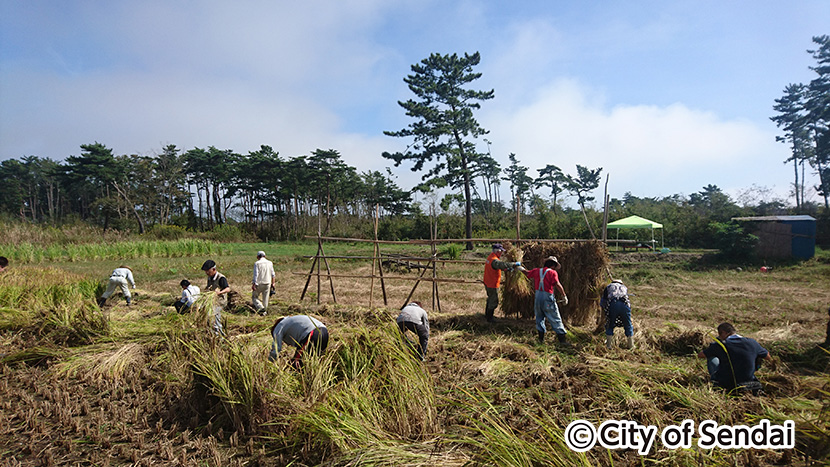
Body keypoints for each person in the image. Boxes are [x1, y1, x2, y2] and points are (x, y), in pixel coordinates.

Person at [698, 322, 770, 392]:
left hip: (727, 382)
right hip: (748, 380)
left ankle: (715, 381)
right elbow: (768, 357)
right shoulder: (752, 342)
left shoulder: (720, 345)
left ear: (723, 333)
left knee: (712, 358)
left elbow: (701, 355)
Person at [517, 256, 569, 345]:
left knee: (539, 317)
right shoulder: (553, 273)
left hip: (538, 297)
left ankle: (540, 340)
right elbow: (557, 284)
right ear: (553, 265)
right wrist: (564, 296)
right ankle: (562, 341)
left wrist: (520, 268)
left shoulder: (537, 271)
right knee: (555, 317)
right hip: (547, 298)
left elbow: (527, 273)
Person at [483, 243, 520, 322]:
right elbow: (501, 265)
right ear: (498, 251)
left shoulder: (490, 257)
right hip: (492, 283)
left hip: (488, 282)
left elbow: (496, 268)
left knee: (490, 299)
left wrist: (506, 269)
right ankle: (489, 318)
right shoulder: (494, 260)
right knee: (494, 301)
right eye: (501, 252)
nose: (502, 253)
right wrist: (513, 264)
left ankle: (487, 316)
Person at [601, 279, 634, 349]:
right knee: (628, 324)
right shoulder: (624, 287)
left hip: (613, 304)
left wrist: (603, 310)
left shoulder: (609, 286)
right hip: (625, 305)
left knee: (610, 324)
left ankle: (608, 345)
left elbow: (603, 301)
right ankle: (630, 345)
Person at [202, 260, 230, 335]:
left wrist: (219, 293)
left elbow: (227, 289)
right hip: (212, 301)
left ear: (213, 269)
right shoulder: (210, 277)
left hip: (220, 301)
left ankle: (219, 335)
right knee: (209, 316)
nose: (206, 273)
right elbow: (209, 287)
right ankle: (214, 333)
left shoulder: (221, 278)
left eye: (208, 271)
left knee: (213, 316)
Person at [252, 250, 276, 315]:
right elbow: (273, 274)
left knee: (254, 297)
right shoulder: (270, 263)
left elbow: (256, 274)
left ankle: (261, 308)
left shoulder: (257, 263)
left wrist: (254, 284)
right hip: (267, 283)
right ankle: (265, 311)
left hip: (259, 283)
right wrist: (273, 283)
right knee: (265, 299)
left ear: (257, 257)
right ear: (265, 256)